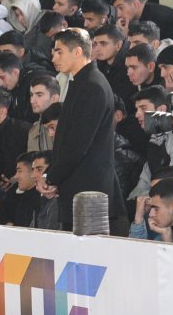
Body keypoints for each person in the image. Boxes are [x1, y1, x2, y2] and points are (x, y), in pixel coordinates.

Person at [42, 29, 123, 231]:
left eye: (59, 52)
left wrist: (51, 178)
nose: (54, 58)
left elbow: (77, 145)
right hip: (79, 189)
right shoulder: (81, 82)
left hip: (90, 194)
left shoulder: (92, 85)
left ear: (77, 52)